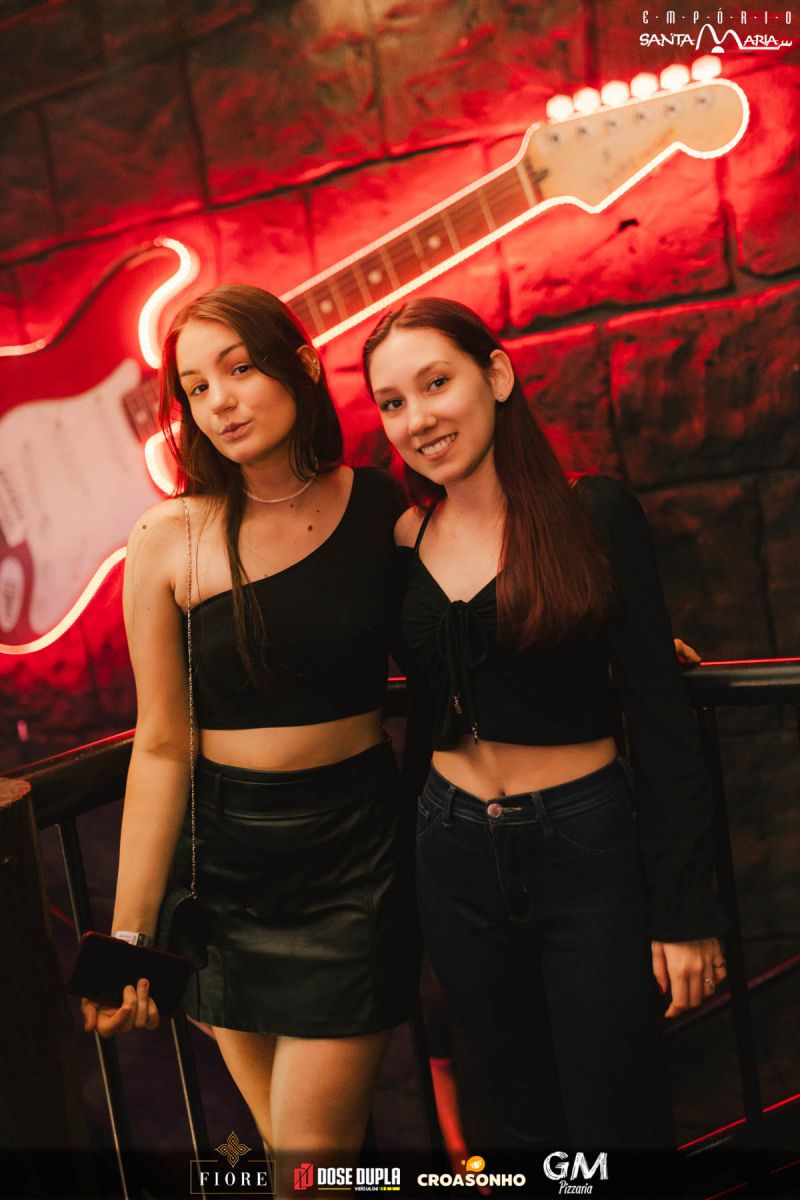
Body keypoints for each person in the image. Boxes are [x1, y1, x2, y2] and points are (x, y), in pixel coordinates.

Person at [362, 298, 729, 1171]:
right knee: (514, 1127)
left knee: (616, 1120)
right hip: (453, 850)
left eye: (436, 383)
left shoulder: (591, 513)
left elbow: (663, 721)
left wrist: (686, 914)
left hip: (584, 846)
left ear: (496, 374)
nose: (418, 419)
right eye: (392, 402)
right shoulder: (405, 538)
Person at [80, 285, 419, 1196]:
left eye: (239, 369)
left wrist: (605, 653)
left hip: (353, 861)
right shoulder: (169, 538)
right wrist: (128, 939)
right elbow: (161, 747)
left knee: (308, 1158)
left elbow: (470, 613)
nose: (220, 402)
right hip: (224, 876)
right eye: (195, 387)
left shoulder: (376, 505)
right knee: (295, 1165)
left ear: (300, 365)